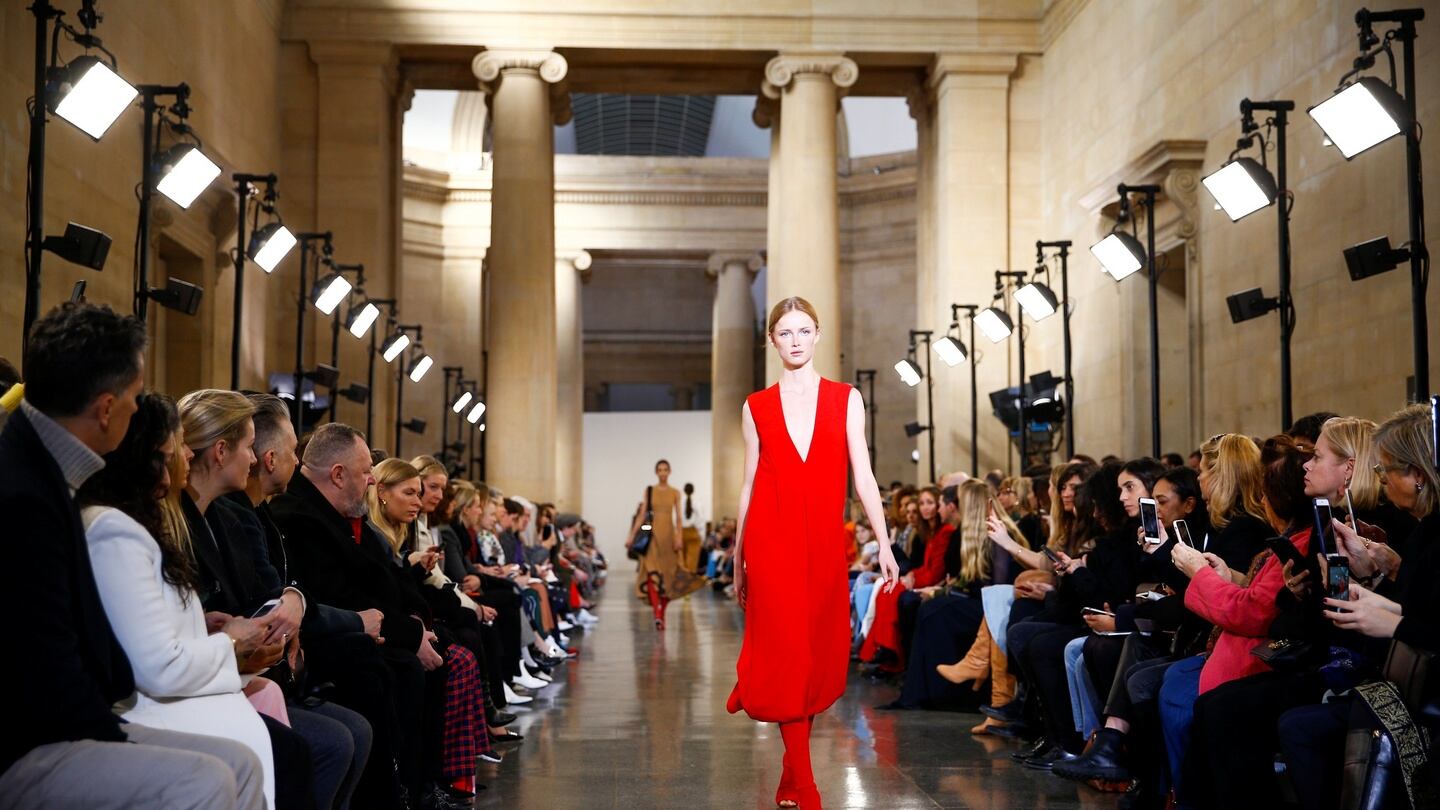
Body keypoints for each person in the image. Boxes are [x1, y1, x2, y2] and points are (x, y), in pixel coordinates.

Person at [0, 302, 265, 809]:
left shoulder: (41, 465)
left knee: (240, 763)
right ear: (104, 408)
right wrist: (115, 734)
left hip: (62, 718)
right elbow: (44, 664)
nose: (138, 410)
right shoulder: (23, 493)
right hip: (26, 741)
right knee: (201, 780)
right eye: (133, 397)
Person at [726, 296, 900, 809]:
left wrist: (884, 542)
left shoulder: (846, 398)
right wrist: (739, 557)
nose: (796, 341)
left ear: (818, 335)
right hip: (770, 539)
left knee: (816, 656)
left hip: (824, 542)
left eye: (804, 331)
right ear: (772, 340)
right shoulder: (755, 405)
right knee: (787, 654)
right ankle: (806, 785)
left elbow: (863, 474)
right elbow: (749, 484)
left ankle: (788, 766)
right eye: (785, 333)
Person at [79, 393, 282, 808]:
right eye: (177, 446)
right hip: (150, 707)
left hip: (182, 696)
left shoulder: (145, 521)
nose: (188, 452)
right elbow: (155, 664)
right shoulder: (116, 530)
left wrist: (204, 625)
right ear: (149, 456)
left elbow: (154, 623)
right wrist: (230, 644)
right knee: (244, 763)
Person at [627, 459, 703, 629]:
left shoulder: (675, 492)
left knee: (668, 578)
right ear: (656, 472)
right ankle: (657, 612)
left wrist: (678, 537)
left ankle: (662, 612)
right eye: (659, 470)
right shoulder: (649, 490)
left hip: (669, 536)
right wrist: (632, 536)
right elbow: (641, 514)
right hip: (652, 535)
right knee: (652, 575)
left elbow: (678, 517)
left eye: (665, 470)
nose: (662, 473)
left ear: (669, 472)